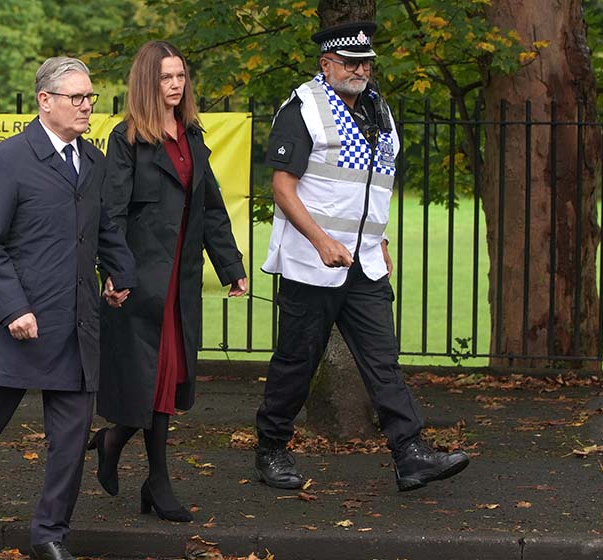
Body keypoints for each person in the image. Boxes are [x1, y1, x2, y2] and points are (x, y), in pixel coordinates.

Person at [0, 57, 136, 560]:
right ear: (45, 100)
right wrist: (14, 307)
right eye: (77, 98)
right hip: (21, 321)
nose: (87, 107)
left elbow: (103, 228)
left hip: (77, 320)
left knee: (70, 434)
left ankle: (49, 535)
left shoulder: (94, 160)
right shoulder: (7, 159)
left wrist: (120, 272)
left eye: (90, 98)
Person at [253, 22, 470, 492]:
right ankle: (272, 447)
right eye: (350, 63)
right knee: (297, 360)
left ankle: (410, 453)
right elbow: (282, 189)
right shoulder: (303, 108)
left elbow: (375, 185)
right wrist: (320, 241)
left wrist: (381, 238)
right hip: (313, 262)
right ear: (326, 64)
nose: (360, 70)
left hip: (364, 260)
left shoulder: (378, 109)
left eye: (366, 63)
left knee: (382, 359)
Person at [88, 40, 247, 523]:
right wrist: (114, 272)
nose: (175, 85)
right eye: (165, 78)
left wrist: (231, 266)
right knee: (152, 379)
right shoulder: (127, 139)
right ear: (147, 82)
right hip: (140, 281)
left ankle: (112, 441)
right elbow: (110, 213)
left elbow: (212, 209)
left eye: (180, 76)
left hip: (181, 283)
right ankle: (157, 482)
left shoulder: (193, 135)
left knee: (168, 380)